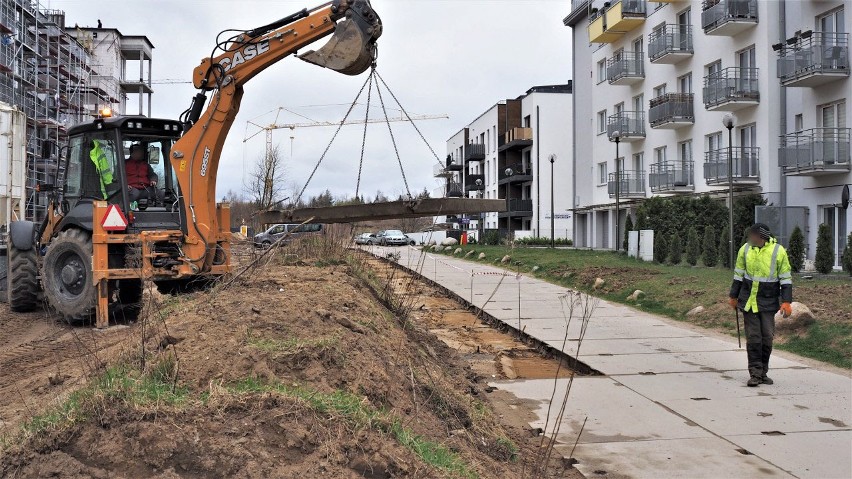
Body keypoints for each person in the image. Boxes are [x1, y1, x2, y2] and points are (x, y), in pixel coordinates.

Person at [728, 223, 793, 387]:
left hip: (768, 301)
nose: (751, 238)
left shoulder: (778, 251)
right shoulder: (745, 249)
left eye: (753, 236)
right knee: (754, 337)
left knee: (767, 338)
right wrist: (733, 296)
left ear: (762, 236)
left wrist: (786, 301)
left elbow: (785, 278)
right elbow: (738, 275)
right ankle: (755, 374)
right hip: (749, 301)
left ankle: (763, 373)